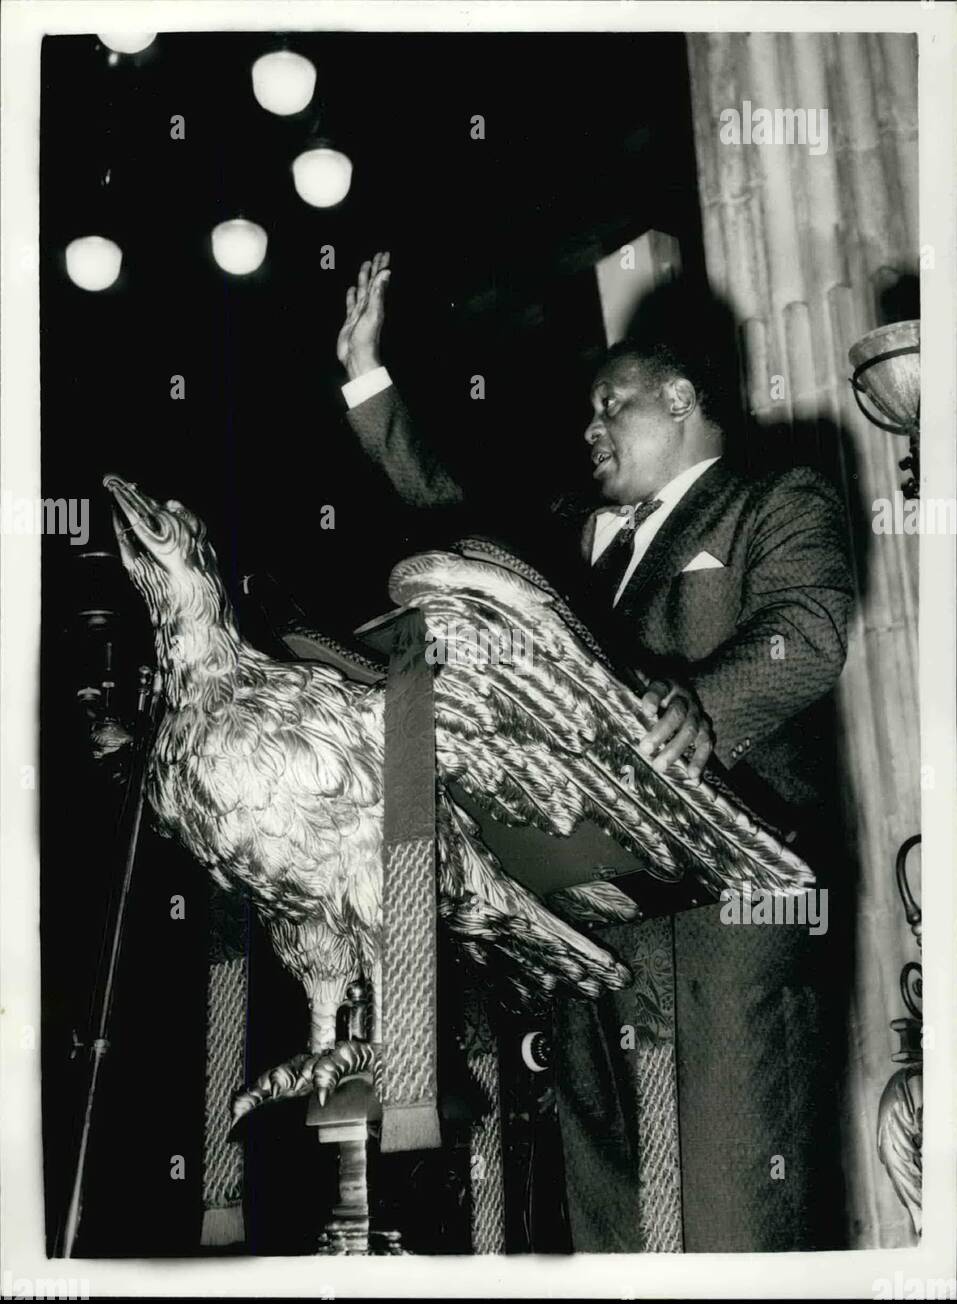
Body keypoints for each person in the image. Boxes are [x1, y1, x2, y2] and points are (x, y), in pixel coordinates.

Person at [337, 250, 855, 1252]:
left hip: (731, 915)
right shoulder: (582, 545)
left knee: (728, 1201)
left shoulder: (774, 498)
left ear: (684, 398)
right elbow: (456, 516)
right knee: (619, 1210)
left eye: (612, 404)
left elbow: (809, 627)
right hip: (597, 928)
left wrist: (703, 704)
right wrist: (370, 380)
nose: (590, 427)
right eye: (587, 411)